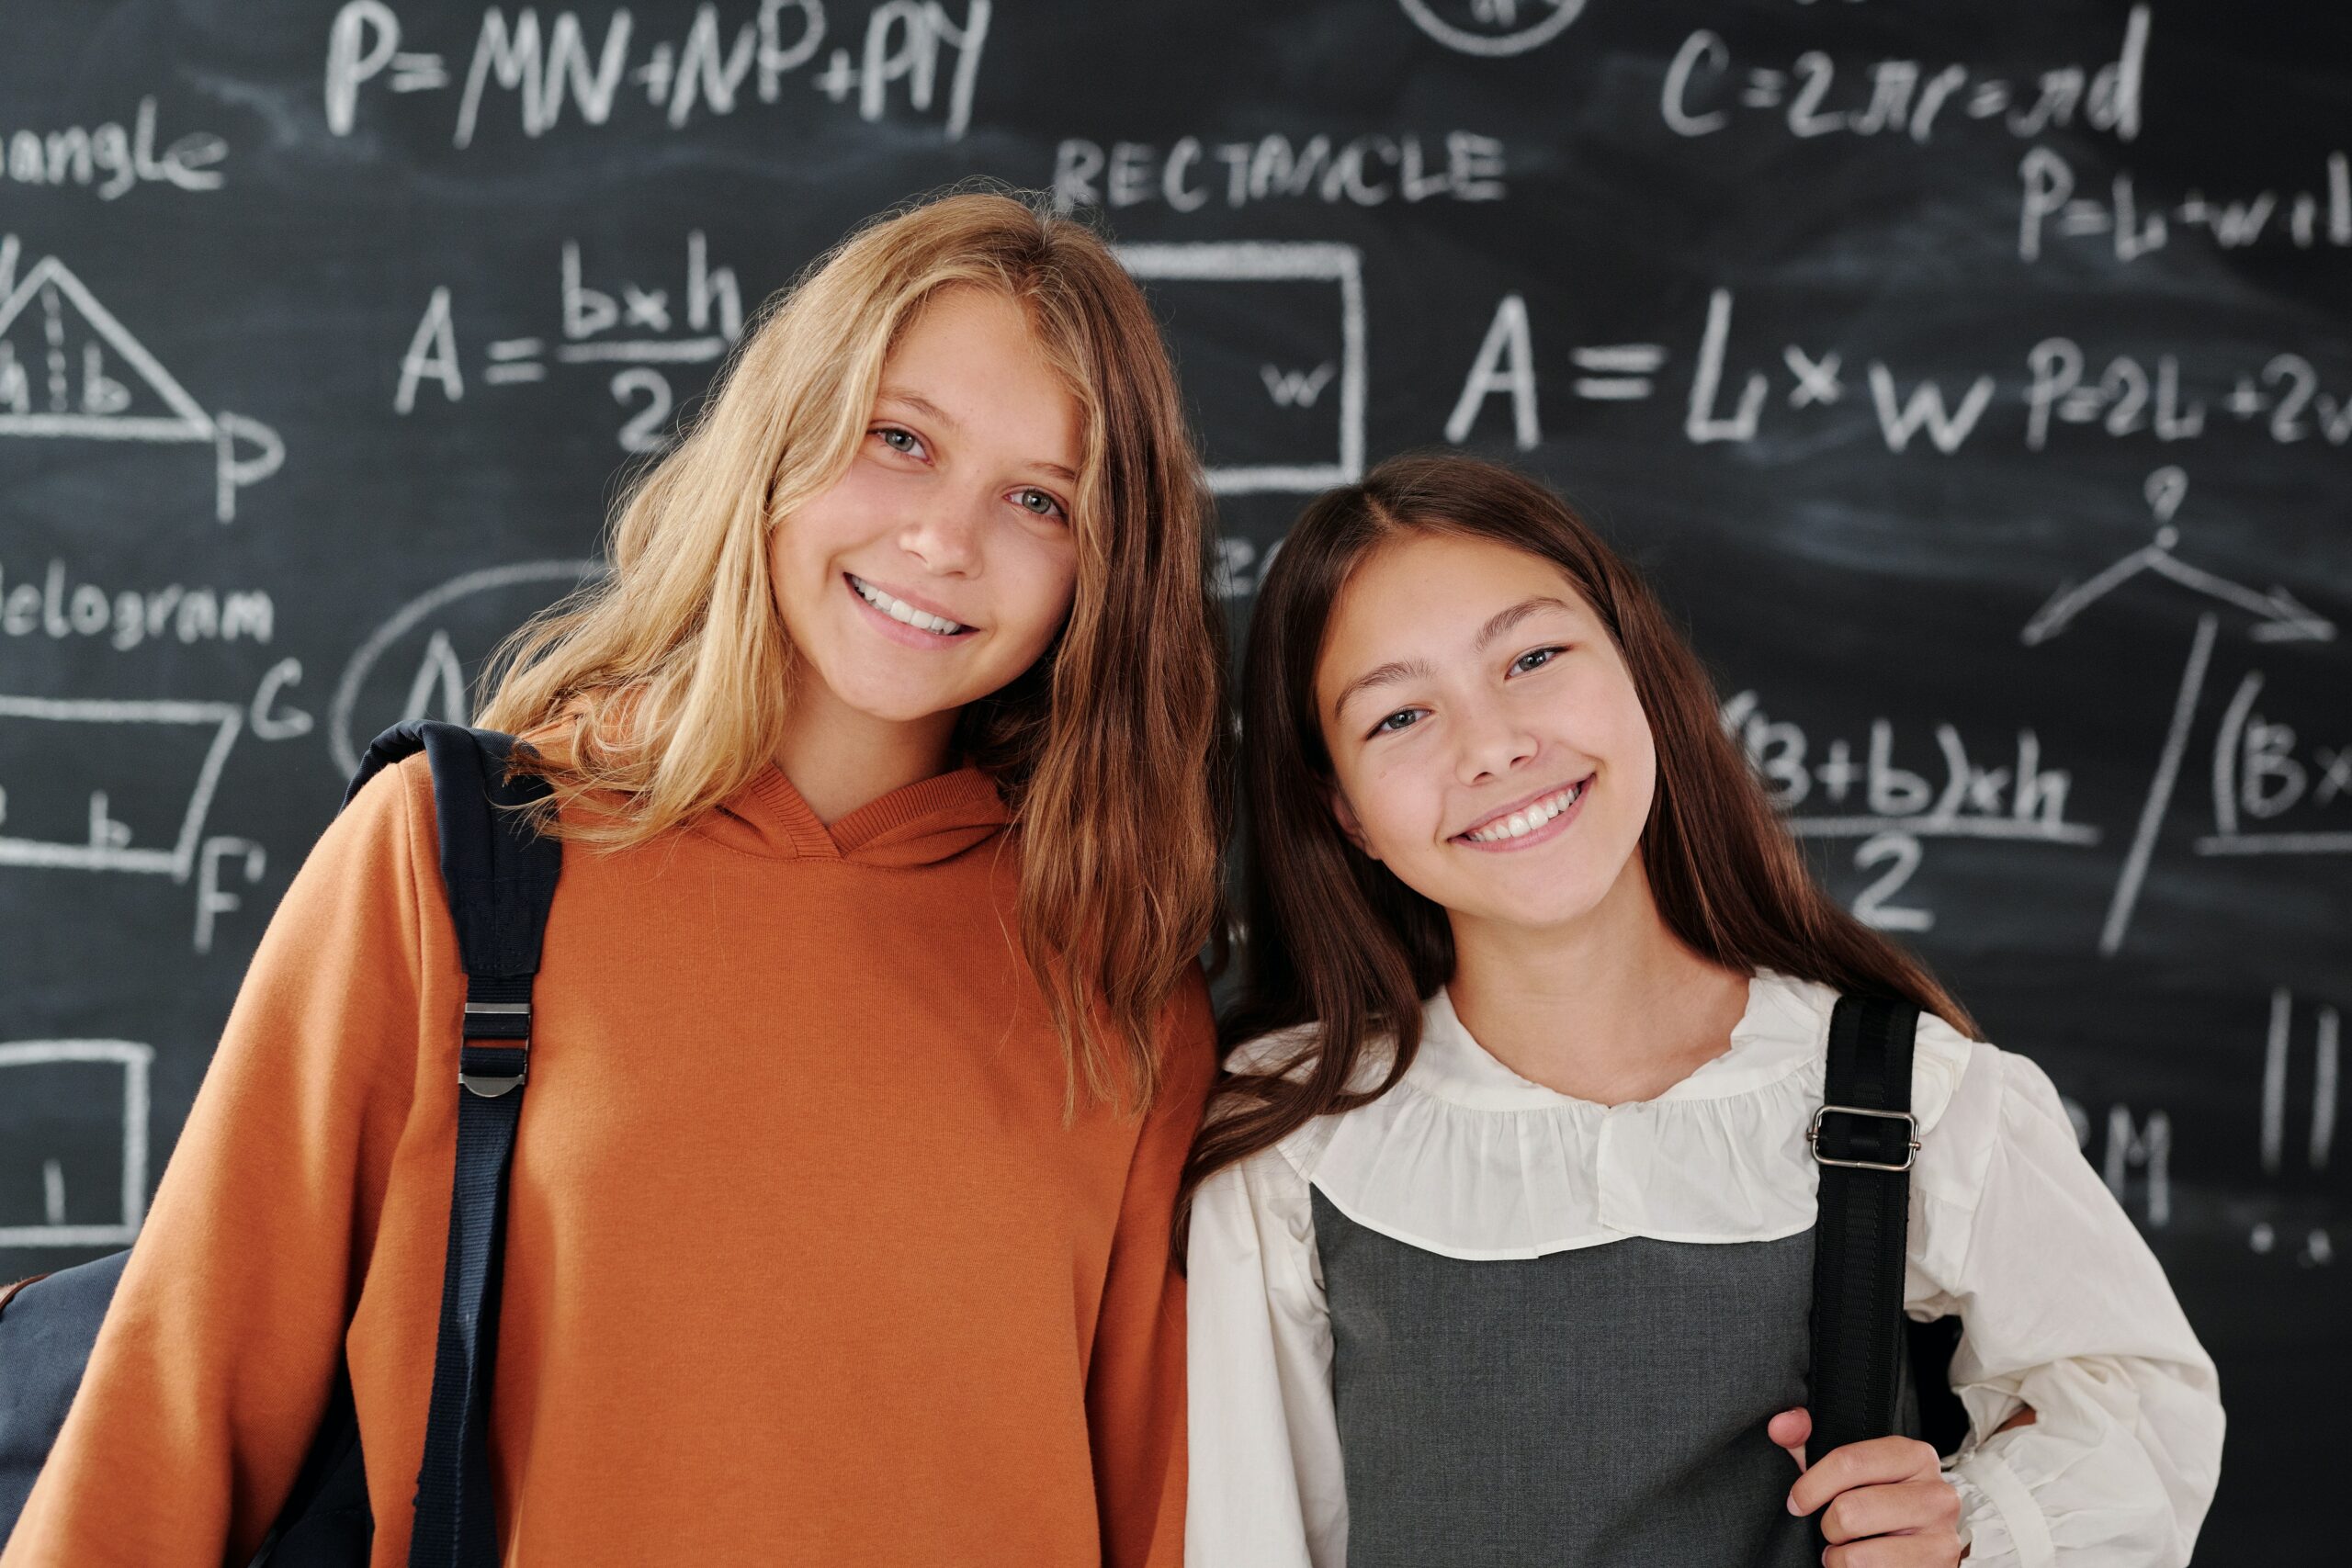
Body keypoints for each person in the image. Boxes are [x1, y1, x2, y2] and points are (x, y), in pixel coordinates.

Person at [5, 191, 1228, 1568]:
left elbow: (1171, 1524)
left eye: (1039, 499)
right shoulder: (454, 859)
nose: (948, 537)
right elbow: (170, 1415)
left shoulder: (1115, 982)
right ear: (782, 437)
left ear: (1100, 571)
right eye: (899, 439)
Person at [1182, 452, 2223, 1567]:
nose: (1494, 745)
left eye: (1532, 657)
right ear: (1343, 813)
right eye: (1397, 717)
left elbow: (2140, 1404)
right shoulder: (1298, 1139)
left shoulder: (1893, 1092)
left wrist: (1965, 1526)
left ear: (1637, 669)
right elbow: (1249, 1535)